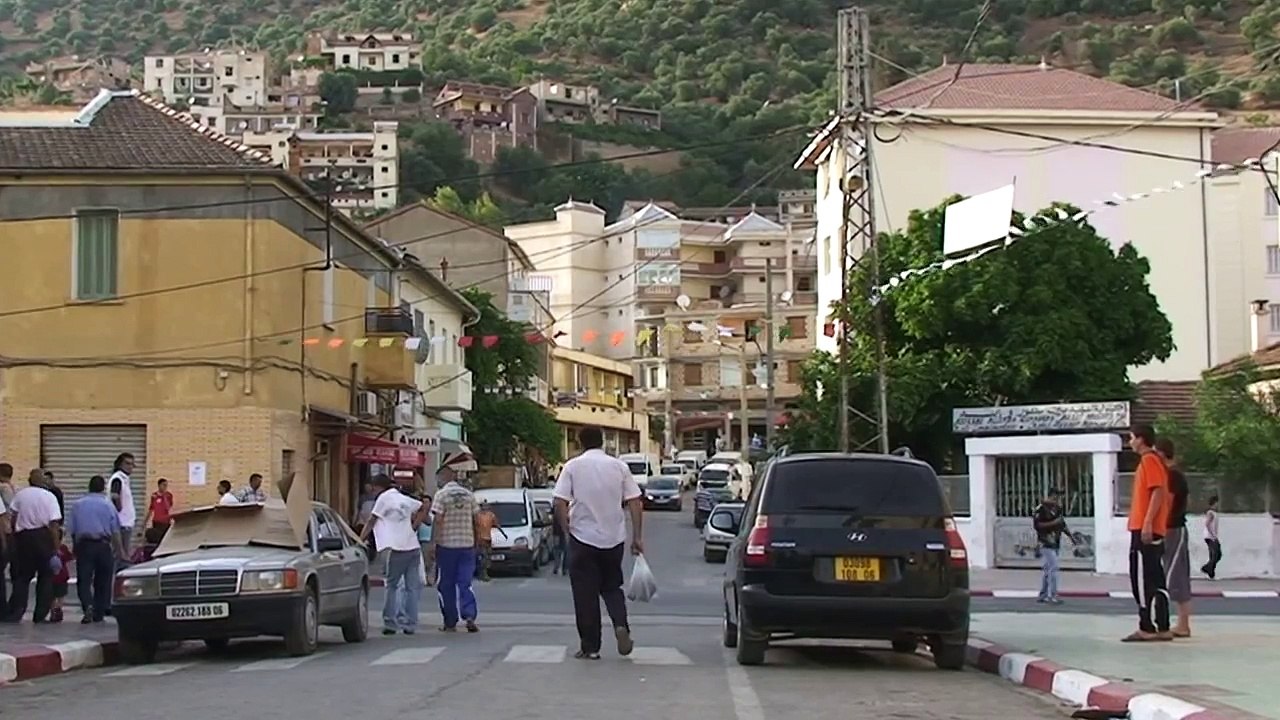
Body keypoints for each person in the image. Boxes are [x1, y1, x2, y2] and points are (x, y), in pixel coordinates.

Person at [553, 425, 644, 660]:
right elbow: (635, 502)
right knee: (612, 587)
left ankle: (590, 647)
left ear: (580, 442)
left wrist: (566, 530)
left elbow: (560, 501)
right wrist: (637, 536)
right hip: (613, 538)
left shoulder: (573, 466)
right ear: (602, 441)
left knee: (585, 594)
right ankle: (621, 625)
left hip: (582, 538)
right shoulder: (619, 467)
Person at [359, 474, 427, 636]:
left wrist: (359, 540)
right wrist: (414, 526)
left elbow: (371, 521)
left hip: (396, 547)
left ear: (377, 487)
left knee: (392, 585)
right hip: (412, 546)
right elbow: (423, 507)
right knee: (411, 588)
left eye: (373, 488)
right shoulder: (402, 497)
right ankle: (410, 624)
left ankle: (390, 622)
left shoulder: (383, 499)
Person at [1123, 424, 1172, 642]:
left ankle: (1146, 626)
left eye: (1132, 438)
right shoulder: (1156, 461)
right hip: (1152, 528)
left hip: (1144, 528)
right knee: (1156, 577)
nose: (1130, 442)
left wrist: (1147, 522)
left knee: (1142, 578)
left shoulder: (1149, 461)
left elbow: (1157, 491)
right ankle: (1163, 625)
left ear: (1141, 439)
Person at [4, 468, 62, 623]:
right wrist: (56, 548)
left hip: (24, 538)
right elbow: (54, 525)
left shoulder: (21, 495)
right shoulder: (49, 497)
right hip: (43, 538)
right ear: (43, 481)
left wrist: (14, 536)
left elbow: (13, 517)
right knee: (46, 577)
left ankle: (17, 611)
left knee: (22, 577)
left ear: (29, 480)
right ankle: (40, 614)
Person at [66, 474, 123, 623]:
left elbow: (72, 530)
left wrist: (74, 547)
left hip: (84, 545)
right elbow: (115, 531)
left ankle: (87, 605)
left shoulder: (78, 505)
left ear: (89, 487)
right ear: (103, 488)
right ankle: (99, 612)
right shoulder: (108, 505)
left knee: (84, 579)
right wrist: (120, 551)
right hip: (103, 545)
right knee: (103, 580)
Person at [430, 466, 480, 633]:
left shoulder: (441, 495)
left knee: (446, 584)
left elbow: (438, 520)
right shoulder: (469, 495)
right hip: (467, 544)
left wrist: (434, 543)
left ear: (442, 477)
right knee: (466, 582)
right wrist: (476, 540)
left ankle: (450, 621)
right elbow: (476, 520)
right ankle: (469, 615)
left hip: (447, 546)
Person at [1156, 438, 1193, 638]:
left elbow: (1168, 503)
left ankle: (1183, 624)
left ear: (1162, 453)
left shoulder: (1172, 475)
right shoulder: (1172, 474)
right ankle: (1180, 622)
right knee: (1171, 572)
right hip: (1171, 528)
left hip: (1173, 528)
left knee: (1177, 573)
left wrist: (1158, 524)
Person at [1032, 488, 1067, 605]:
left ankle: (1043, 594)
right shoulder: (1041, 509)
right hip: (1045, 542)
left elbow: (1062, 524)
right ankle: (1052, 595)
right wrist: (1054, 523)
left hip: (1055, 542)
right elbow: (1037, 525)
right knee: (1053, 568)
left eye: (1059, 497)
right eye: (1055, 497)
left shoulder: (1058, 509)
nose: (1057, 499)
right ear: (1050, 496)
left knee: (1048, 569)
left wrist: (1072, 537)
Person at [108, 453, 136, 558]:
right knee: (121, 555)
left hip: (125, 523)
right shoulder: (118, 478)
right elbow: (115, 496)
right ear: (120, 464)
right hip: (121, 524)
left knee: (122, 554)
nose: (130, 467)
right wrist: (119, 509)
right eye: (127, 463)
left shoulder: (124, 479)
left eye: (132, 464)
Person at [49, 530, 73, 623]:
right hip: (62, 577)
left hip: (51, 577)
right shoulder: (63, 548)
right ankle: (58, 609)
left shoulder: (48, 549)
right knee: (61, 595)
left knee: (52, 596)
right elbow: (70, 557)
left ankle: (53, 610)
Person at [143, 478, 174, 542]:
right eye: (164, 485)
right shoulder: (154, 496)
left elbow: (168, 508)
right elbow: (151, 509)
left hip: (165, 521)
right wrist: (145, 522)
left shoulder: (168, 495)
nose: (165, 487)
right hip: (156, 521)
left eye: (166, 485)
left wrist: (164, 497)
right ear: (159, 485)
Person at [474, 501, 497, 581]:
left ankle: (484, 573)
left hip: (488, 539)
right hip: (480, 539)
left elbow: (496, 524)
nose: (485, 508)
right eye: (483, 506)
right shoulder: (477, 516)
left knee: (487, 557)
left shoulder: (491, 515)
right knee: (483, 557)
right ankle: (483, 574)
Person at [1201, 495, 1223, 580]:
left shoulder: (1213, 513)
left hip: (1212, 536)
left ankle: (1211, 573)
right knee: (1217, 554)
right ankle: (1206, 568)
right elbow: (1207, 524)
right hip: (1210, 537)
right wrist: (1212, 535)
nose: (1218, 505)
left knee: (1214, 555)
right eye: (1217, 503)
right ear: (1214, 503)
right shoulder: (1211, 513)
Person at [417, 494, 434, 587]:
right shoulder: (418, 515)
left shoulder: (433, 516)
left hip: (429, 540)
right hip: (419, 540)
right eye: (423, 502)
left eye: (427, 502)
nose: (425, 504)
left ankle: (429, 578)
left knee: (429, 561)